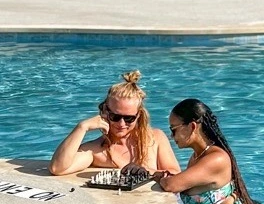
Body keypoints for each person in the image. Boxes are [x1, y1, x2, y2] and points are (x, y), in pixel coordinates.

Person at [48, 70, 180, 176]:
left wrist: (147, 172)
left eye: (129, 118)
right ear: (105, 111)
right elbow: (57, 168)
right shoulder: (97, 150)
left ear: (138, 115)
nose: (121, 123)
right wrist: (82, 127)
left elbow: (176, 175)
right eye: (115, 116)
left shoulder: (155, 138)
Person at [143, 98, 259, 204]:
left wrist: (157, 176)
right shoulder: (197, 157)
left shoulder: (216, 159)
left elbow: (171, 185)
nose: (172, 136)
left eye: (173, 130)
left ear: (192, 127)